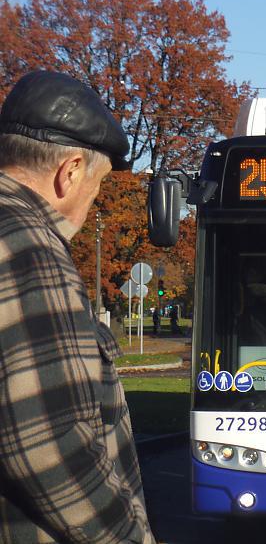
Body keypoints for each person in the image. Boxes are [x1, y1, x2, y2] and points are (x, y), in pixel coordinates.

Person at [0, 71, 156, 543]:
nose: (94, 201)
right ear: (69, 172)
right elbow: (50, 446)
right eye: (99, 185)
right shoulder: (29, 247)